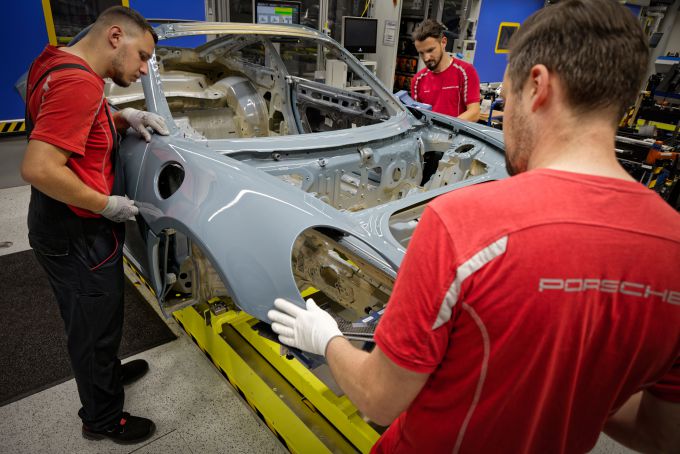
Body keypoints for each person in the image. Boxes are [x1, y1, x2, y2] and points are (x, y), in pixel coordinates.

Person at [268, 1, 680, 452]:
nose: (503, 120)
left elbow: (378, 400)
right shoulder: (673, 248)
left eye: (505, 96)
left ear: (537, 87)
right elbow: (662, 433)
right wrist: (575, 389)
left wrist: (326, 340)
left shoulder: (461, 224)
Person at [21, 6, 169, 445]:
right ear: (115, 37)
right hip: (76, 231)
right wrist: (106, 204)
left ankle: (103, 373)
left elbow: (69, 116)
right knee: (91, 325)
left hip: (58, 224)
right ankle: (102, 418)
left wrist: (125, 117)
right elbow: (38, 167)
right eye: (142, 56)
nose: (144, 71)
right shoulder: (79, 84)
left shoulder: (55, 61)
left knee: (94, 320)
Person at [409, 19, 481, 121]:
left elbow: (474, 113)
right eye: (421, 53)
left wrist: (445, 129)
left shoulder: (465, 72)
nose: (426, 58)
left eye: (430, 50)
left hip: (456, 134)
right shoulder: (418, 80)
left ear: (443, 42)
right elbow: (416, 116)